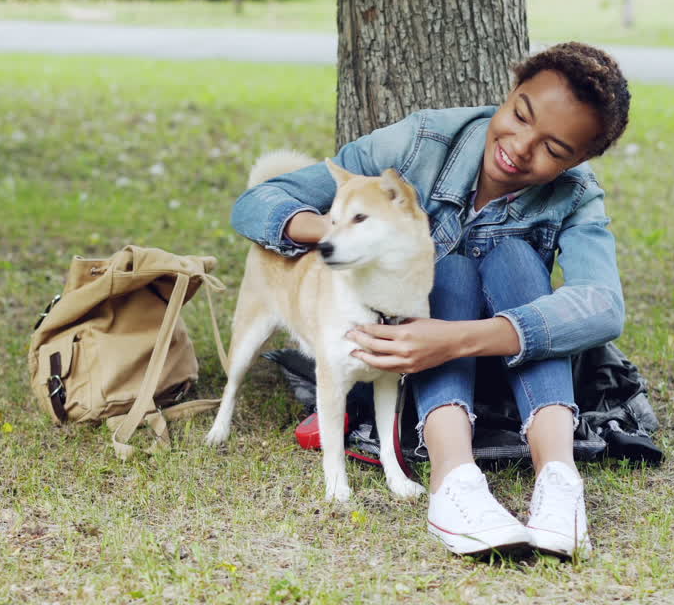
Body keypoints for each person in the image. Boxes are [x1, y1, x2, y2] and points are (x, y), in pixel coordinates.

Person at [231, 41, 631, 559]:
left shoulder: (576, 196)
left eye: (554, 150)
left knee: (514, 256)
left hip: (511, 372)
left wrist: (454, 339)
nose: (521, 146)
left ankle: (558, 481)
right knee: (452, 268)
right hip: (405, 368)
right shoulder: (421, 141)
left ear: (578, 162)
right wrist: (337, 233)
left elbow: (602, 304)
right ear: (509, 93)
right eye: (520, 115)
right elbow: (257, 204)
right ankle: (453, 481)